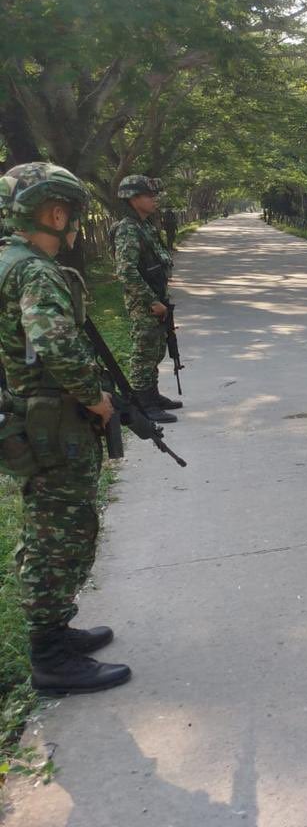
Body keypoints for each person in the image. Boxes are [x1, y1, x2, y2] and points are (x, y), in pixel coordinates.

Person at [0, 162, 129, 694]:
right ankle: (50, 657)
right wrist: (95, 398)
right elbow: (53, 343)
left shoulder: (10, 260)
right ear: (55, 212)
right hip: (52, 421)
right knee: (60, 532)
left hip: (31, 416)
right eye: (73, 215)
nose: (75, 226)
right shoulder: (34, 270)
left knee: (53, 526)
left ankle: (56, 630)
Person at [112, 175, 179, 423]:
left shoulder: (145, 225)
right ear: (132, 198)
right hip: (144, 302)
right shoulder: (128, 229)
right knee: (144, 351)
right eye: (149, 195)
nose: (154, 199)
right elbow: (126, 271)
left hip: (155, 296)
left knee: (156, 349)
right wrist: (151, 301)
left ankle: (153, 395)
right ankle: (143, 404)